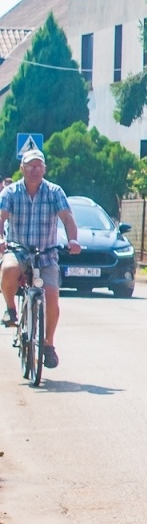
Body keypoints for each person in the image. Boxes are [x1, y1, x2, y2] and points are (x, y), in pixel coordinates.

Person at [1, 148, 81, 369]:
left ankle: (48, 345)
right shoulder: (10, 192)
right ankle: (10, 309)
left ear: (44, 168)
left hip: (46, 253)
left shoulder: (54, 192)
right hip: (19, 250)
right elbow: (1, 218)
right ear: (22, 168)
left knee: (52, 296)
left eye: (39, 166)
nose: (35, 170)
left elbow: (68, 218)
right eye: (30, 165)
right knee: (8, 269)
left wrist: (73, 240)